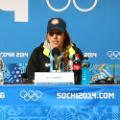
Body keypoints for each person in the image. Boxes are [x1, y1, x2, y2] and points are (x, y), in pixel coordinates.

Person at [26, 17, 84, 84]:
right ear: (47, 36)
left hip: (68, 92)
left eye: (58, 33)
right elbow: (30, 76)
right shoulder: (38, 53)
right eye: (51, 33)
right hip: (44, 93)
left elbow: (82, 78)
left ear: (64, 35)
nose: (55, 36)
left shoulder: (75, 53)